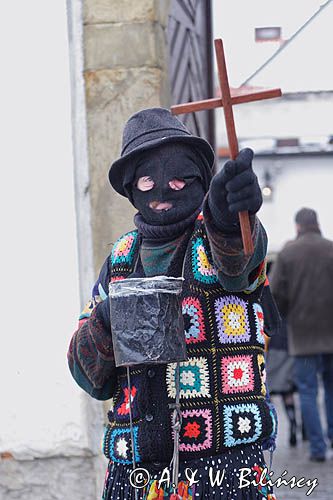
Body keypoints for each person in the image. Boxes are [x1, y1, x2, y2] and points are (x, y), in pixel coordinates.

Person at [68, 108, 277, 499]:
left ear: (200, 179)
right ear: (132, 188)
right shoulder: (119, 261)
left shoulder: (215, 239)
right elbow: (87, 376)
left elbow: (239, 264)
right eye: (147, 180)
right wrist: (106, 320)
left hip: (224, 472)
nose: (163, 192)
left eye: (179, 178)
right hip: (134, 477)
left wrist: (228, 220)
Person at [270, 207, 333, 462]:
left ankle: (317, 449)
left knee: (306, 392)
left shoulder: (288, 253)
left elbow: (274, 293)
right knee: (330, 389)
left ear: (297, 226)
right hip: (331, 335)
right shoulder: (331, 249)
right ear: (316, 224)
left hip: (303, 338)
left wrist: (287, 312)